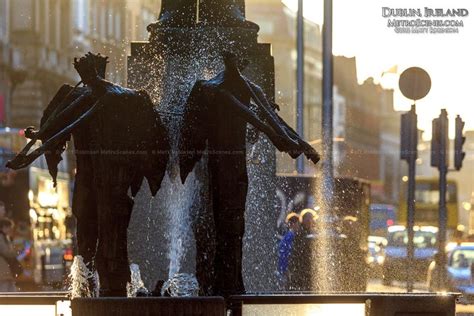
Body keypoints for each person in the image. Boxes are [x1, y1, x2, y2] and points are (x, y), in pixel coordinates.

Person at [277, 213, 300, 286]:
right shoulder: (290, 236)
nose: (298, 225)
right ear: (293, 224)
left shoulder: (288, 236)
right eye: (297, 223)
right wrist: (285, 269)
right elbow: (285, 253)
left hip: (285, 267)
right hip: (287, 268)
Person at [0, 218, 18, 292]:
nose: (11, 229)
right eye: (9, 227)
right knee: (5, 286)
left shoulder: (5, 237)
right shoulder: (1, 237)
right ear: (4, 227)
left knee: (10, 285)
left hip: (6, 266)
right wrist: (16, 252)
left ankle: (12, 301)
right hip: (3, 265)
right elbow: (5, 251)